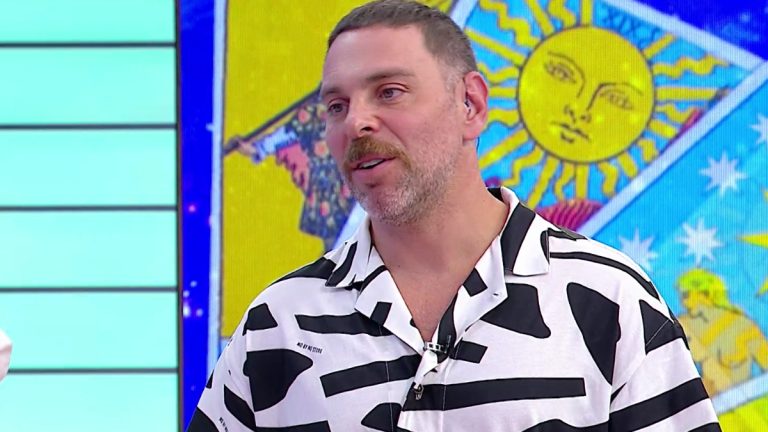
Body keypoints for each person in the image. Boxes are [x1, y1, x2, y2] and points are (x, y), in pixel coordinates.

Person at [188, 1, 720, 430]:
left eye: (389, 92)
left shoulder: (609, 298)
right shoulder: (277, 323)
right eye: (336, 106)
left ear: (471, 105)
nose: (356, 123)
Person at [677, 268, 768, 396]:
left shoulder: (741, 324)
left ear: (705, 293)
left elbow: (765, 359)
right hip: (713, 402)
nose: (683, 302)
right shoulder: (684, 325)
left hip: (746, 400)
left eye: (686, 295)